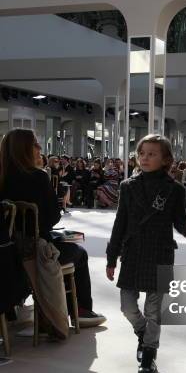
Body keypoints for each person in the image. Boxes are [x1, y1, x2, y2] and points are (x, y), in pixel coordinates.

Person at [106, 134, 186, 373]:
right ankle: (143, 334)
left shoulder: (174, 190)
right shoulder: (127, 186)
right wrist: (111, 257)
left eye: (152, 154)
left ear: (166, 159)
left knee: (154, 310)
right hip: (133, 253)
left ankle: (149, 352)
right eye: (142, 153)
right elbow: (120, 223)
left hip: (161, 253)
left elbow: (180, 222)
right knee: (127, 307)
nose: (145, 158)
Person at [0, 129, 106, 328]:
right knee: (80, 251)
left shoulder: (2, 177)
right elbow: (52, 218)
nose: (40, 148)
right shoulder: (37, 177)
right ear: (24, 149)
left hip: (8, 250)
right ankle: (82, 311)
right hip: (34, 250)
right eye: (35, 144)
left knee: (74, 237)